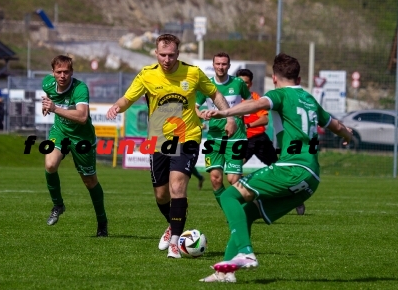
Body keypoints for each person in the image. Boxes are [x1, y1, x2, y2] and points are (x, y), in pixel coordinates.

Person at [200, 53, 353, 283]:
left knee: (230, 196)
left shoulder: (279, 94)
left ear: (274, 78)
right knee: (249, 213)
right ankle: (225, 273)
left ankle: (245, 251)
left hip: (292, 167)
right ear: (299, 78)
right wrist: (347, 136)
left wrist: (224, 112)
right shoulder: (310, 99)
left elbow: (257, 103)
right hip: (312, 180)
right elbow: (337, 125)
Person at [106, 34, 235, 259]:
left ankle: (176, 242)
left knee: (177, 186)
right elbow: (127, 99)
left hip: (188, 137)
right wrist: (116, 107)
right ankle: (173, 224)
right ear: (156, 54)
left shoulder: (192, 73)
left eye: (171, 55)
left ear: (178, 54)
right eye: (163, 55)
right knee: (161, 194)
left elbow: (214, 93)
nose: (167, 59)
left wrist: (229, 117)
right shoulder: (147, 75)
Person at [40, 55, 108, 236]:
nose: (62, 75)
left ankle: (102, 221)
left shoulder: (80, 88)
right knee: (50, 164)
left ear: (72, 72)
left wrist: (55, 108)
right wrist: (45, 104)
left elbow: (82, 117)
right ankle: (58, 205)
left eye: (66, 72)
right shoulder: (47, 83)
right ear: (52, 73)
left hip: (81, 138)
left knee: (90, 182)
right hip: (60, 132)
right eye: (58, 72)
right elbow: (48, 96)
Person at [196, 53, 251, 208]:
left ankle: (249, 199)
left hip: (236, 135)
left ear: (229, 65)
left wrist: (240, 111)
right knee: (215, 179)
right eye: (218, 64)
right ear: (213, 65)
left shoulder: (239, 83)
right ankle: (230, 211)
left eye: (224, 64)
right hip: (214, 136)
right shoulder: (206, 85)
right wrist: (201, 114)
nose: (221, 67)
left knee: (233, 180)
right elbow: (195, 107)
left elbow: (251, 101)